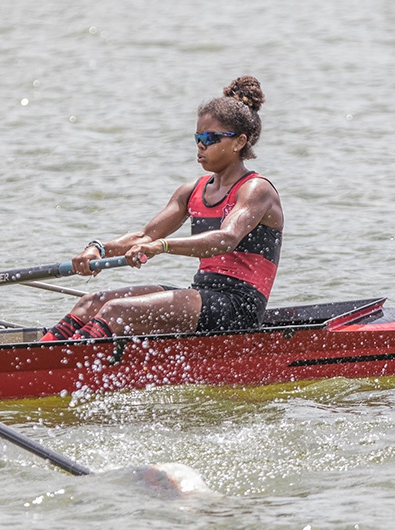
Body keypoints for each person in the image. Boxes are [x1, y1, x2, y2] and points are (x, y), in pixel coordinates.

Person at [42, 76, 283, 342]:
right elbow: (145, 237)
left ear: (239, 142)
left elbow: (226, 239)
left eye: (211, 138)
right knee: (91, 303)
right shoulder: (191, 191)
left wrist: (163, 247)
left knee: (116, 311)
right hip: (203, 295)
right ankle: (44, 358)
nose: (201, 145)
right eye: (198, 137)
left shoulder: (255, 189)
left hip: (239, 306)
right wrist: (97, 249)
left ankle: (60, 369)